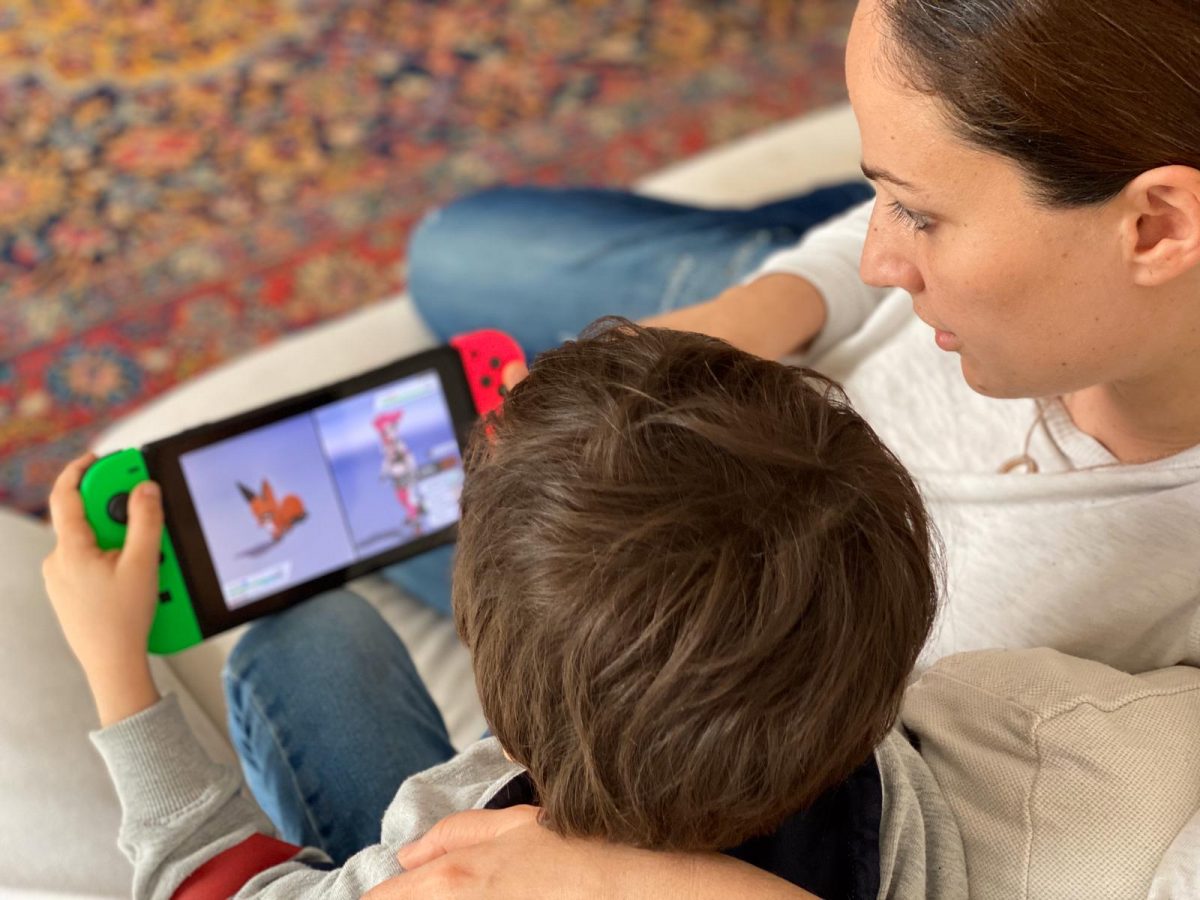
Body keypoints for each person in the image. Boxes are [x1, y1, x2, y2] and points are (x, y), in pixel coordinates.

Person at [350, 0, 1199, 894]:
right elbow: (866, 256)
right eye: (877, 190)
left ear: (1157, 226)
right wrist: (740, 323)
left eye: (918, 213)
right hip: (772, 361)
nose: (879, 257)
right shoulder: (937, 283)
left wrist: (646, 882)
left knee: (401, 515)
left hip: (708, 593)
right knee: (453, 253)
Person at [42, 320, 967, 898]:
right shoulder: (898, 790)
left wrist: (117, 672)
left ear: (505, 718)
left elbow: (203, 886)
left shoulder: (448, 852)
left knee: (307, 640)